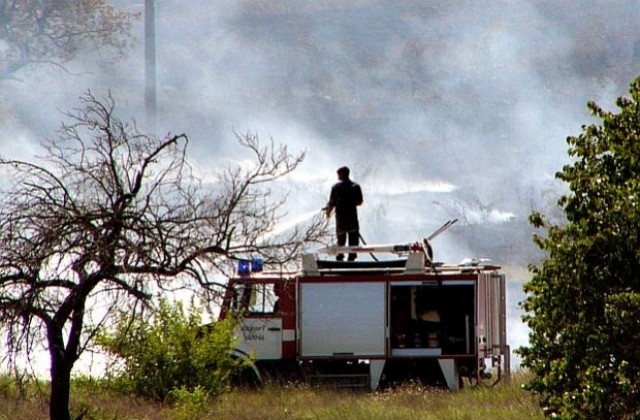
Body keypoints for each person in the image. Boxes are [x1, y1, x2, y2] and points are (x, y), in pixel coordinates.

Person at [324, 166, 363, 261]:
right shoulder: (355, 186)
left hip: (341, 219)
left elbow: (331, 203)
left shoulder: (336, 187)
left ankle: (340, 258)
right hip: (352, 218)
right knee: (353, 239)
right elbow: (360, 202)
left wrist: (328, 213)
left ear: (341, 174)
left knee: (341, 240)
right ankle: (352, 258)